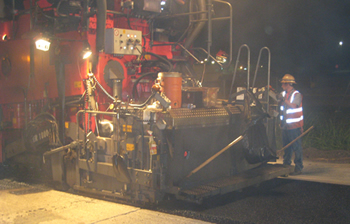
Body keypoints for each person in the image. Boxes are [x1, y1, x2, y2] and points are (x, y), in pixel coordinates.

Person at [279, 74, 304, 175]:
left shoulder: (296, 94)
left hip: (294, 126)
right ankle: (286, 165)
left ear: (288, 84)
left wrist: (283, 100)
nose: (281, 86)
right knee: (286, 147)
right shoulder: (283, 94)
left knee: (296, 147)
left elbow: (294, 106)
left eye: (283, 84)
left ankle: (298, 167)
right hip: (285, 126)